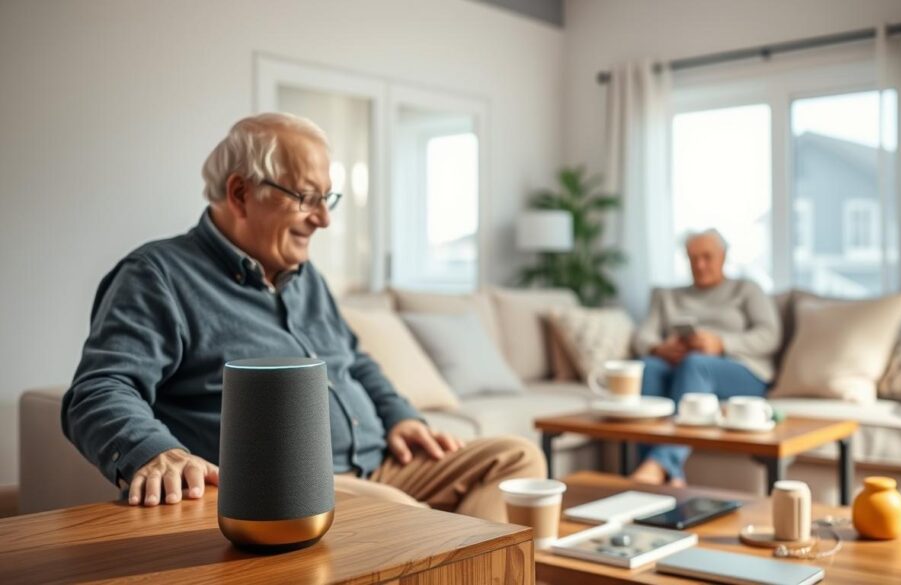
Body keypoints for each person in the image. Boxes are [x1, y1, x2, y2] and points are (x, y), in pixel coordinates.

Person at [61, 113, 544, 522]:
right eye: (306, 197)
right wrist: (153, 451)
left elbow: (354, 359)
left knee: (516, 458)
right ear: (240, 192)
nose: (324, 219)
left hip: (377, 463)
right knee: (400, 513)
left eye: (326, 198)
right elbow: (100, 389)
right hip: (284, 491)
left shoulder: (304, 275)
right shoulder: (157, 276)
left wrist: (400, 417)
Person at [630, 229, 781, 486]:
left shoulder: (746, 289)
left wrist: (721, 343)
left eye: (707, 257)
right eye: (693, 258)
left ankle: (660, 464)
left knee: (696, 364)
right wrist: (660, 348)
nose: (700, 265)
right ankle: (669, 477)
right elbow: (641, 337)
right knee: (648, 368)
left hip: (741, 371)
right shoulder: (667, 296)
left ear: (723, 257)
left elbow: (770, 335)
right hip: (680, 369)